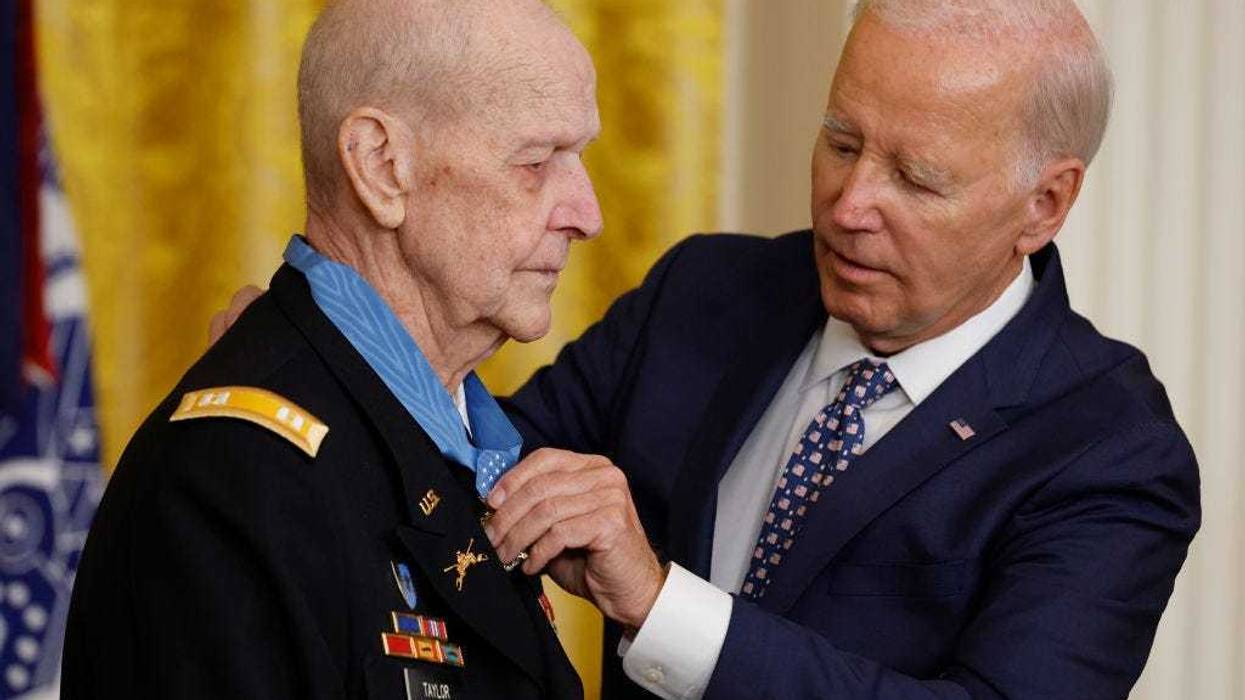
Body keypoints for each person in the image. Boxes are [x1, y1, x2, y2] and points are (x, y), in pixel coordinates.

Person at [209, 1, 1200, 698]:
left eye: (917, 177)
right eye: (843, 143)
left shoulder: (1109, 448)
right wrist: (332, 366)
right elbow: (467, 466)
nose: (850, 207)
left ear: (1047, 202)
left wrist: (658, 603)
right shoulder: (712, 292)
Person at [62, 0, 603, 697]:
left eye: (579, 158)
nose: (586, 215)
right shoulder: (235, 480)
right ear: (381, 166)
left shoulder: (466, 442)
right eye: (535, 162)